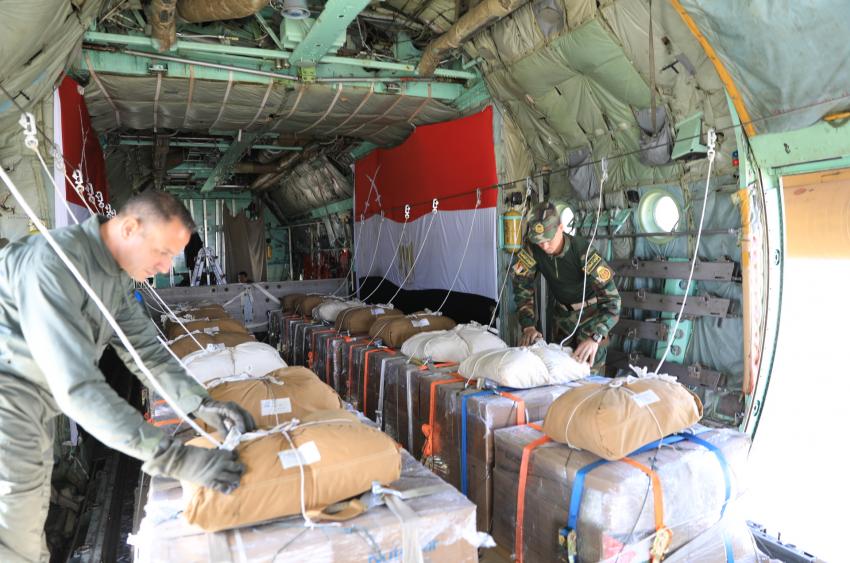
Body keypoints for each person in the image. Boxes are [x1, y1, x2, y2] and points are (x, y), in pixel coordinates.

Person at [0, 191, 256, 563]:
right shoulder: (52, 266)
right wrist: (174, 458)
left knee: (26, 521)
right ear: (130, 228)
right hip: (10, 404)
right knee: (14, 538)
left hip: (31, 406)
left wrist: (201, 404)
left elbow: (146, 351)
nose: (166, 267)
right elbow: (78, 388)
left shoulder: (112, 277)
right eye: (162, 252)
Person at [511, 201, 621, 373]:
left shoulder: (583, 252)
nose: (544, 246)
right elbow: (521, 285)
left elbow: (613, 301)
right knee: (558, 374)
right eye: (539, 241)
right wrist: (528, 325)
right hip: (562, 320)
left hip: (591, 318)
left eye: (548, 239)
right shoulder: (533, 249)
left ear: (561, 228)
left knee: (589, 377)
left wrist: (596, 336)